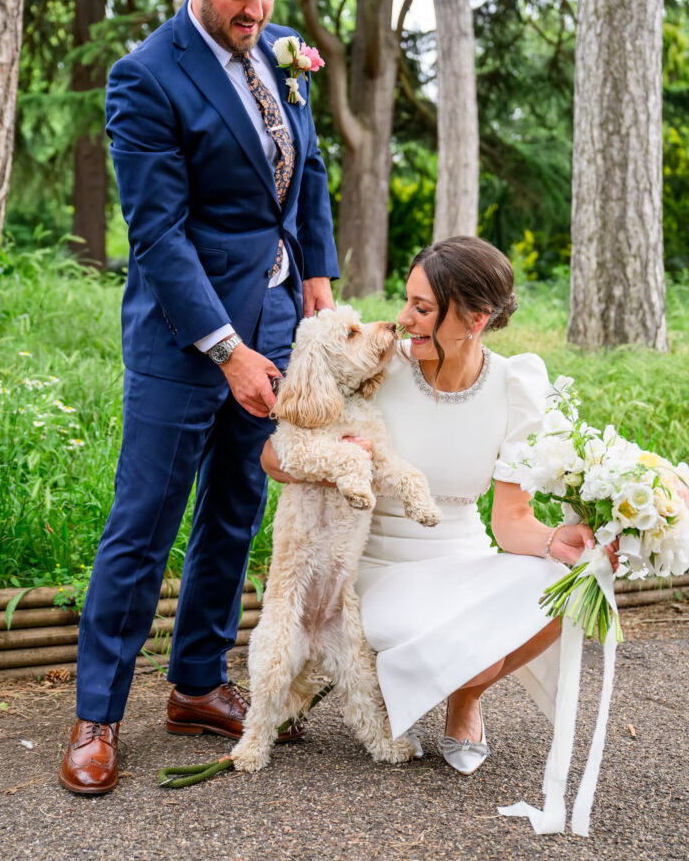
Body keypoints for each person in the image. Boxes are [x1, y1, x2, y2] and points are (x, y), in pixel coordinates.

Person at [59, 0, 338, 795]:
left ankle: (193, 685)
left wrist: (317, 286)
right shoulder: (146, 76)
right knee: (143, 525)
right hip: (188, 342)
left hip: (277, 322)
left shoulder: (281, 48)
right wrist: (228, 350)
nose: (256, 12)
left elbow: (308, 170)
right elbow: (160, 235)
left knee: (235, 511)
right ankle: (96, 712)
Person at [262, 236, 617, 775]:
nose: (403, 319)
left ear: (475, 320)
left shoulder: (515, 385)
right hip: (378, 566)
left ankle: (466, 699)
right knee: (476, 647)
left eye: (422, 308)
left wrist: (554, 542)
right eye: (408, 301)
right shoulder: (381, 363)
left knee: (574, 584)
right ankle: (447, 680)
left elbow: (511, 522)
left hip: (465, 559)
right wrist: (335, 457)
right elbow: (273, 454)